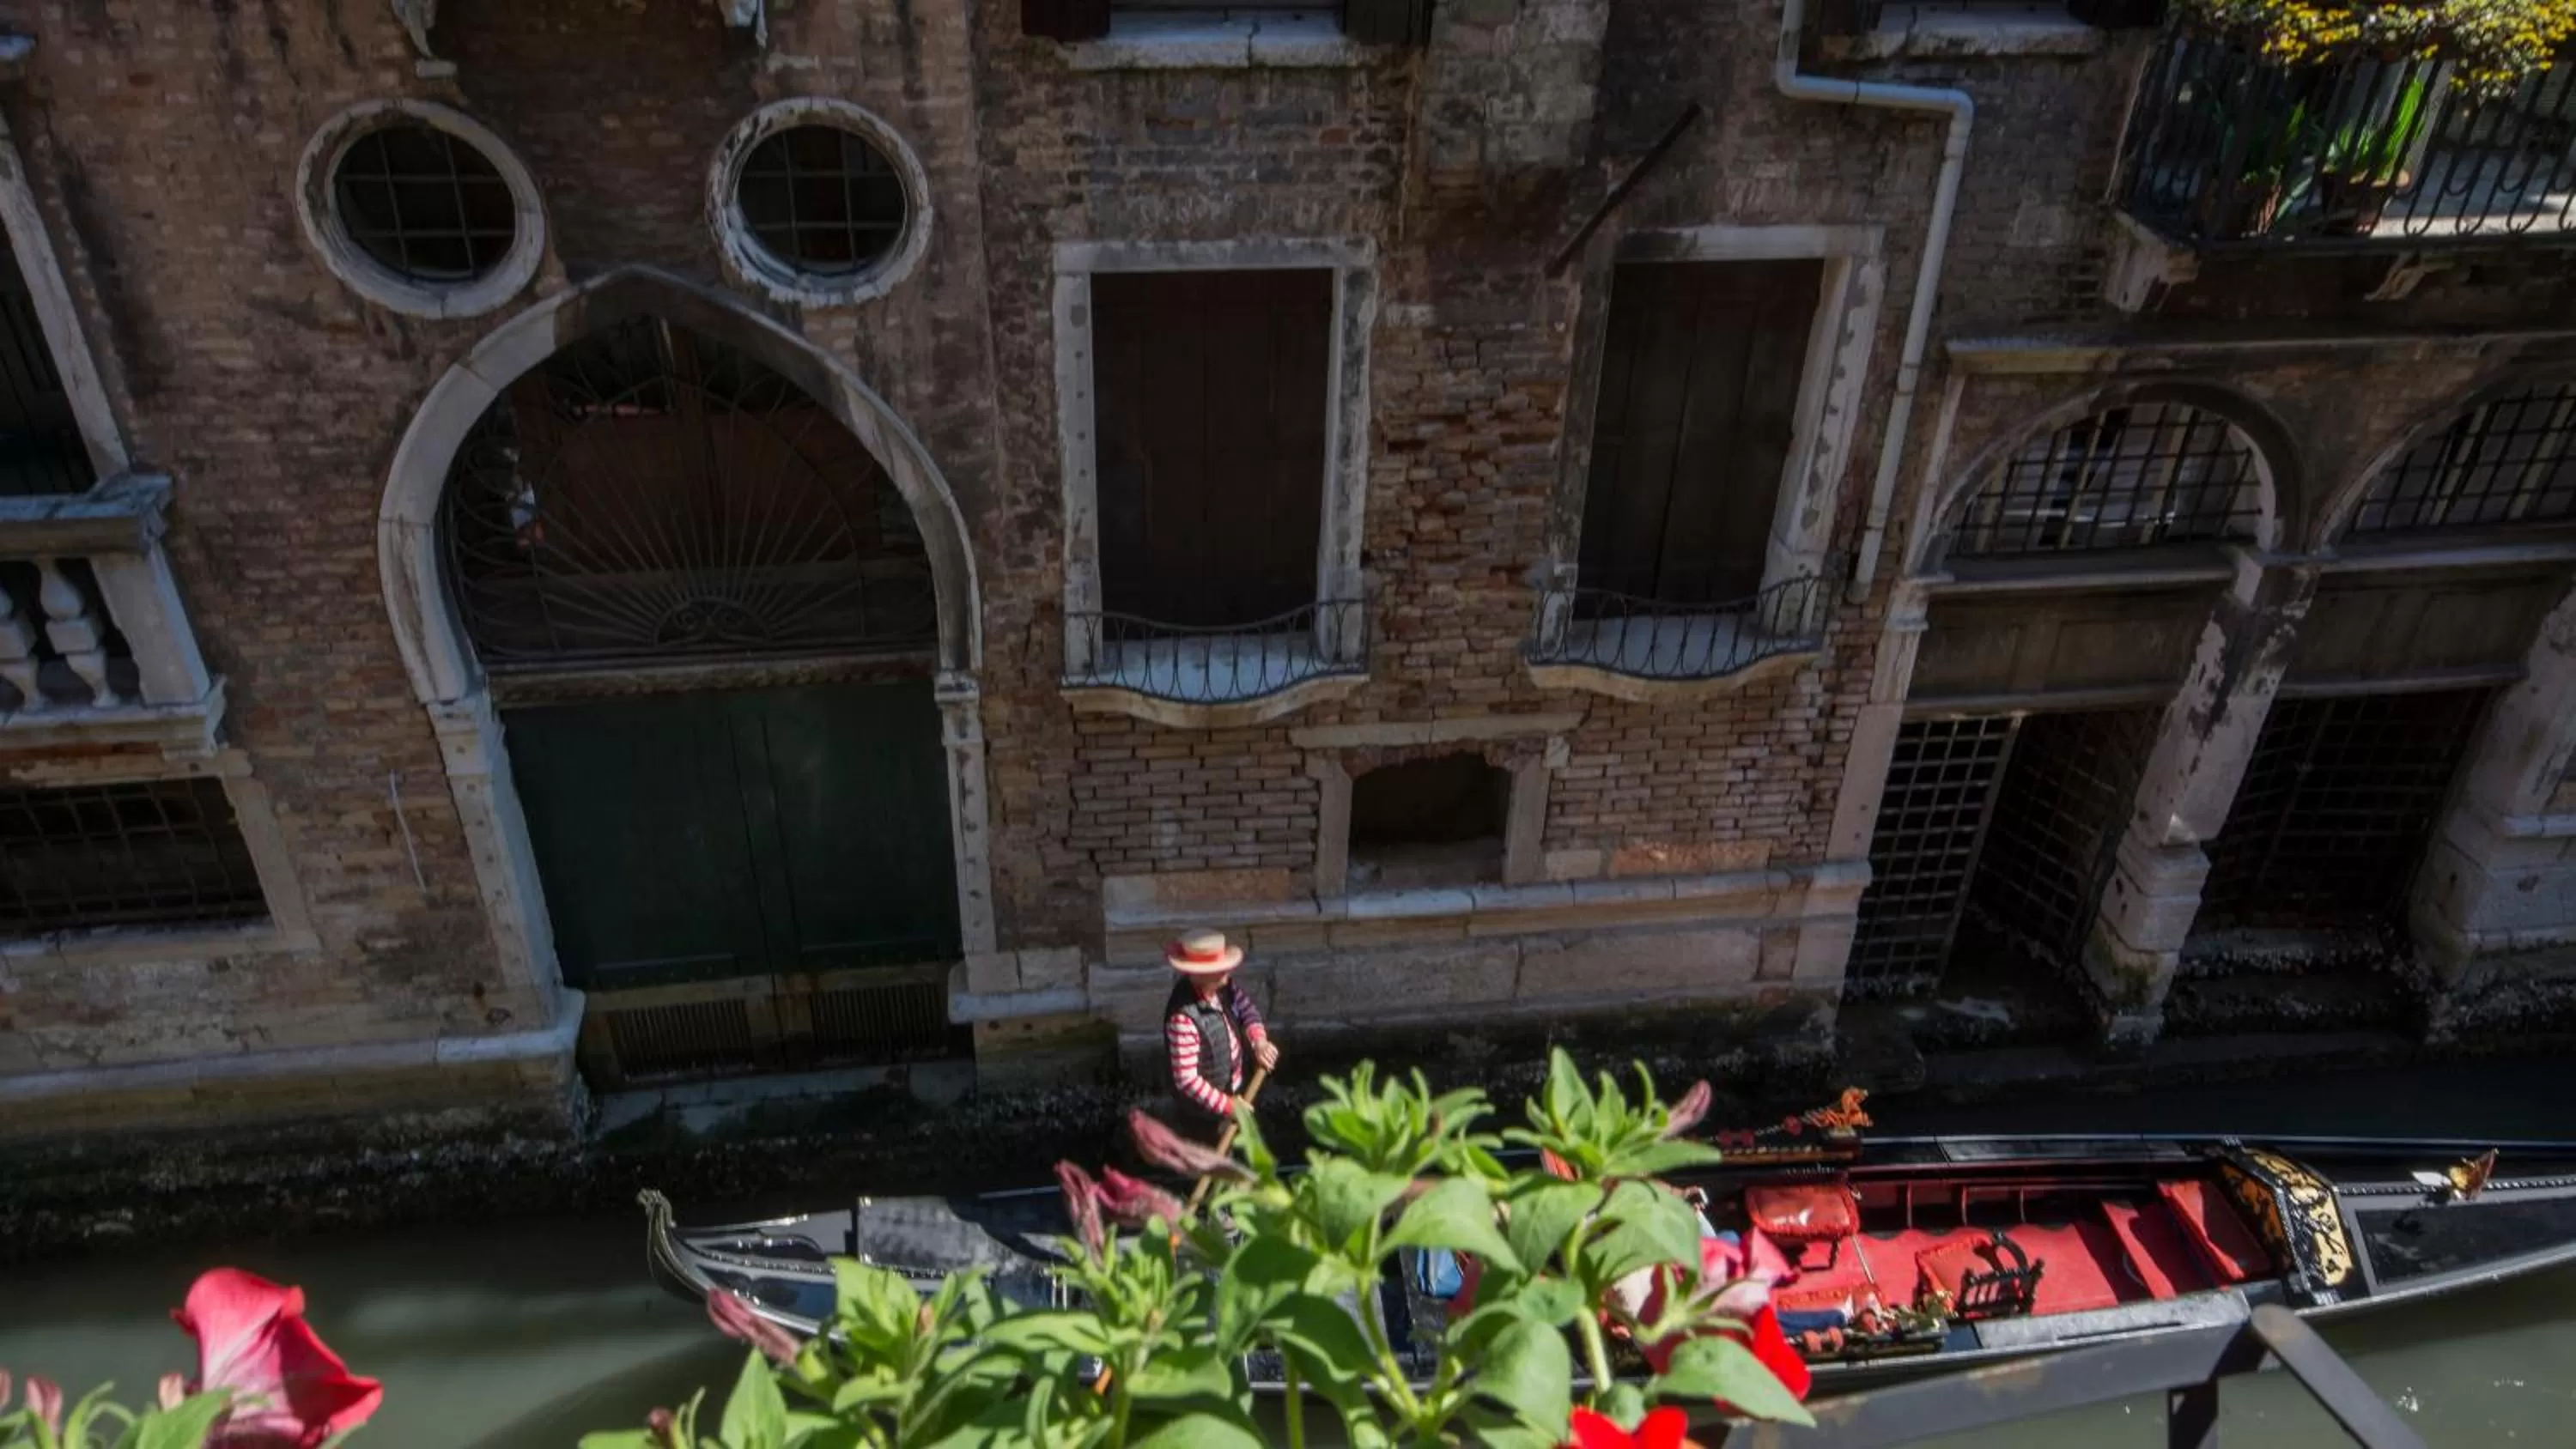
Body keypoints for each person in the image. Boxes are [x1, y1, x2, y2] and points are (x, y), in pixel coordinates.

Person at [1162, 929, 1279, 1142]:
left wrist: (1259, 1043)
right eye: (1219, 970)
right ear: (1199, 974)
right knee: (1211, 1161)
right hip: (1204, 1116)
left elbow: (1247, 1012)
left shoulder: (1225, 988)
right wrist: (1228, 1106)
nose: (1227, 975)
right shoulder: (1182, 1018)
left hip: (1234, 1093)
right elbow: (1186, 1079)